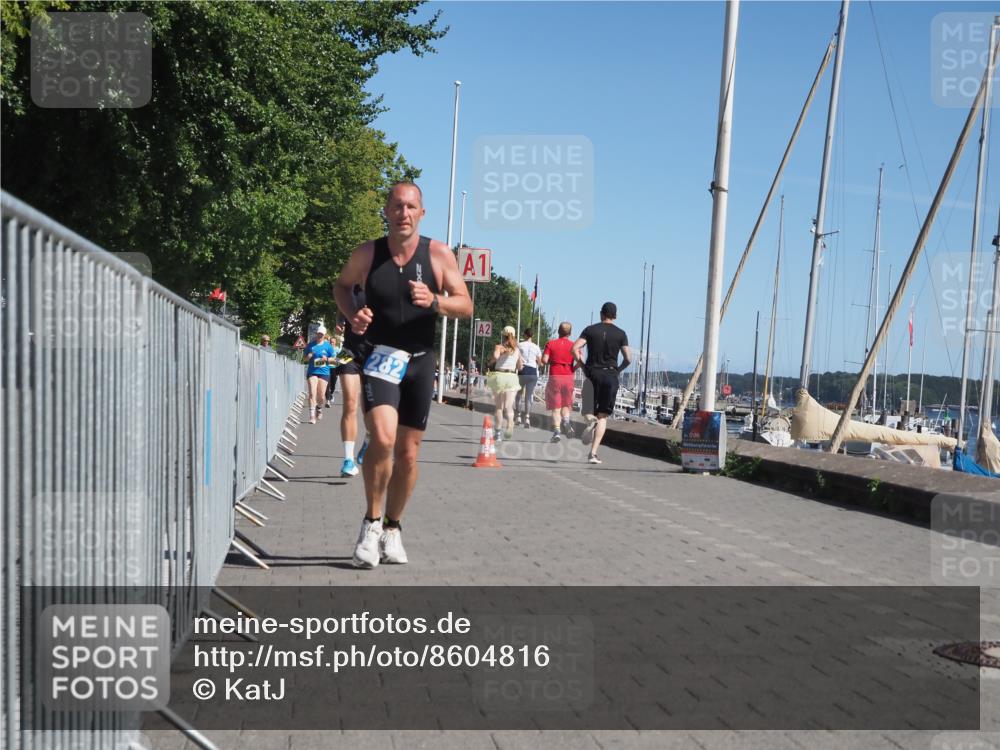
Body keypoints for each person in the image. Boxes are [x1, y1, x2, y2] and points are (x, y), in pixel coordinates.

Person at [334, 182, 472, 569]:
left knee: (408, 455)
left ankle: (393, 527)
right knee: (382, 437)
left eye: (411, 207)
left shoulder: (438, 254)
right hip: (381, 356)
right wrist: (352, 314)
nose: (403, 213)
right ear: (386, 211)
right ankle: (371, 523)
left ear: (422, 213)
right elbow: (341, 286)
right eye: (396, 206)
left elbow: (465, 305)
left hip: (420, 362)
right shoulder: (367, 253)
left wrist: (436, 300)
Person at [572, 302, 631, 464]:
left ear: (601, 314)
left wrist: (582, 365)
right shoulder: (621, 334)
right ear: (615, 316)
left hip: (592, 374)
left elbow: (574, 348)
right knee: (603, 416)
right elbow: (628, 358)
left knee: (588, 411)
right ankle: (593, 454)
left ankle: (590, 420)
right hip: (610, 375)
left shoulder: (590, 330)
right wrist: (617, 370)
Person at [334, 299, 365, 477]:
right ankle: (348, 460)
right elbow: (340, 307)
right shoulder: (350, 287)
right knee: (350, 403)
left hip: (375, 353)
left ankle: (368, 440)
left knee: (372, 410)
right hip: (349, 352)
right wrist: (339, 321)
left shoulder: (385, 285)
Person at [540, 322, 577, 443]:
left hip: (555, 377)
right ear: (570, 333)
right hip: (568, 377)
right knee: (565, 405)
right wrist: (573, 368)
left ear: (558, 331)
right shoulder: (574, 345)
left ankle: (557, 432)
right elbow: (581, 360)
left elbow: (544, 360)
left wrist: (550, 360)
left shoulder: (551, 343)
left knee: (556, 408)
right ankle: (566, 421)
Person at [486, 326, 523, 442]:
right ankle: (510, 424)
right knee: (508, 406)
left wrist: (493, 359)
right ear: (514, 335)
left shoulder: (499, 346)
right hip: (512, 377)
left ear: (503, 335)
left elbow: (495, 357)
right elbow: (520, 367)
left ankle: (498, 434)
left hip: (499, 376)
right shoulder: (517, 350)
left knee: (499, 407)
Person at [303, 326, 335, 424]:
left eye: (321, 334)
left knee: (321, 396)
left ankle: (319, 407)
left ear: (324, 335)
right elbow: (304, 359)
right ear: (316, 333)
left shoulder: (328, 346)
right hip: (312, 372)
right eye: (318, 333)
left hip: (324, 372)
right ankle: (312, 416)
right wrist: (309, 356)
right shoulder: (310, 345)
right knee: (312, 393)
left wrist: (327, 359)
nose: (320, 335)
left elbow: (334, 359)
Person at [514, 328, 542, 428]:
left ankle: (518, 416)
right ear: (532, 336)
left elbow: (515, 356)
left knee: (519, 394)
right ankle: (527, 418)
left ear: (525, 335)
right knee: (529, 396)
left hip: (523, 370)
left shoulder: (520, 345)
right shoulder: (536, 347)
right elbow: (540, 362)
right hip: (532, 372)